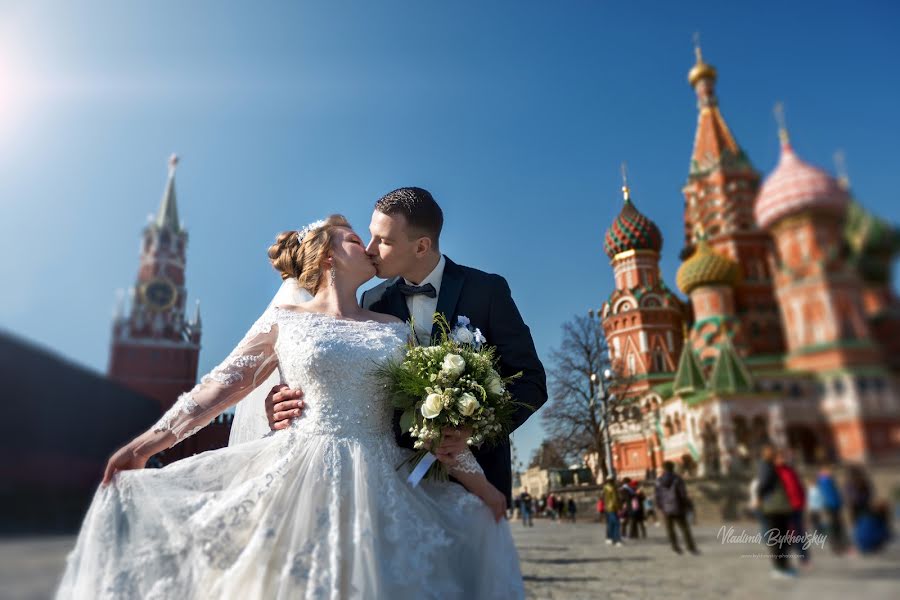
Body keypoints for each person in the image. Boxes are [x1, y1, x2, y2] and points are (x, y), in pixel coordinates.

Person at [56, 216, 525, 599]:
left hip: (383, 480)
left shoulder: (393, 328)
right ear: (326, 255)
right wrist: (145, 444)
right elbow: (219, 387)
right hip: (298, 477)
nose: (370, 248)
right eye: (356, 239)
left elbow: (428, 415)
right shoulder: (285, 322)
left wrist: (478, 483)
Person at [262, 188, 548, 511]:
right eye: (369, 236)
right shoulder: (372, 301)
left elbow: (531, 381)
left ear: (421, 246)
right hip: (395, 485)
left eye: (383, 241)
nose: (369, 249)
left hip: (476, 484)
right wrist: (287, 401)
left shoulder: (488, 291)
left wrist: (475, 428)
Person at [757, 445, 796, 578]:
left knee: (784, 540)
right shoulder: (766, 467)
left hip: (783, 507)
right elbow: (763, 485)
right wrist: (760, 497)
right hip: (774, 507)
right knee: (777, 540)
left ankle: (784, 565)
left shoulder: (777, 468)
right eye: (778, 456)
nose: (781, 458)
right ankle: (779, 568)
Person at [655, 461, 698, 556]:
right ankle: (690, 547)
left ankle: (675, 547)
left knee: (670, 529)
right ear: (673, 468)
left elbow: (658, 496)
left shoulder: (659, 480)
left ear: (663, 468)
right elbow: (682, 494)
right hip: (678, 506)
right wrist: (686, 505)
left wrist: (660, 506)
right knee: (684, 528)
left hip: (666, 508)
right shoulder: (677, 479)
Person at [602, 477, 623, 547]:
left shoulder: (605, 487)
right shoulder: (612, 488)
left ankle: (609, 538)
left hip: (607, 508)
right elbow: (615, 499)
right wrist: (619, 508)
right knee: (616, 523)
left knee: (610, 524)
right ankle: (617, 539)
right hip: (613, 508)